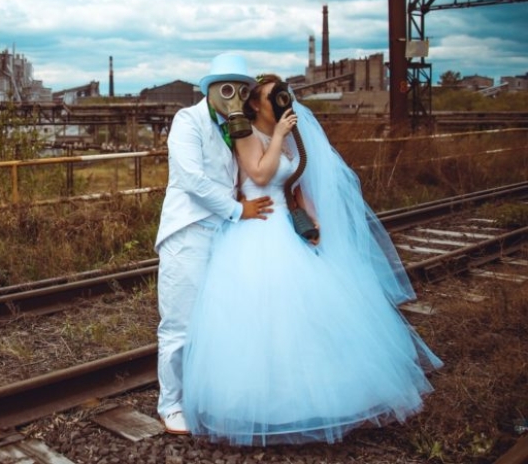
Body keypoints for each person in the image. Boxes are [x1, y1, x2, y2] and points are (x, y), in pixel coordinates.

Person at [181, 74, 444, 446]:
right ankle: (260, 406)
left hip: (286, 227)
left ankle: (326, 396)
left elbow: (295, 182)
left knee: (310, 312)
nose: (283, 102)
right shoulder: (245, 132)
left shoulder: (286, 138)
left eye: (284, 96)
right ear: (255, 103)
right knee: (263, 315)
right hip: (256, 230)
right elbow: (260, 173)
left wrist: (312, 217)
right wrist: (277, 137)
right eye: (275, 97)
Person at [155, 53, 274, 435]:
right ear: (208, 89)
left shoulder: (240, 127)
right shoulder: (187, 120)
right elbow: (191, 178)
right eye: (227, 87)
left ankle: (206, 394)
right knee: (180, 322)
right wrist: (239, 209)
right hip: (189, 231)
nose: (234, 95)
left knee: (218, 321)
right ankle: (171, 403)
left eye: (242, 88)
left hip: (225, 234)